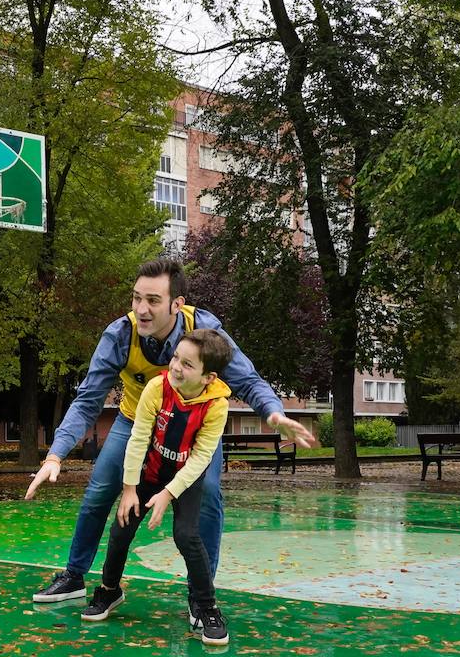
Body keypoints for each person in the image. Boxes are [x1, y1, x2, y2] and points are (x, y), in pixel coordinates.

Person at [25, 257, 316, 610]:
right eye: (136, 299)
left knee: (207, 494)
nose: (141, 310)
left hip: (192, 431)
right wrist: (56, 454)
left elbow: (247, 380)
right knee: (100, 488)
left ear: (177, 304)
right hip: (136, 422)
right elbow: (88, 399)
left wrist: (273, 413)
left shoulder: (205, 330)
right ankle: (74, 575)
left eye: (152, 301)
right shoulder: (120, 334)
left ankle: (201, 595)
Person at [81, 329, 231, 645]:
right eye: (176, 357)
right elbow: (138, 438)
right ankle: (109, 590)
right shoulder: (156, 387)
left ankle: (207, 607)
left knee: (187, 535)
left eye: (188, 365)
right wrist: (129, 488)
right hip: (149, 472)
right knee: (121, 527)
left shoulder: (217, 405)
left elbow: (202, 456)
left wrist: (169, 493)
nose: (176, 367)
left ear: (208, 376)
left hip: (185, 479)